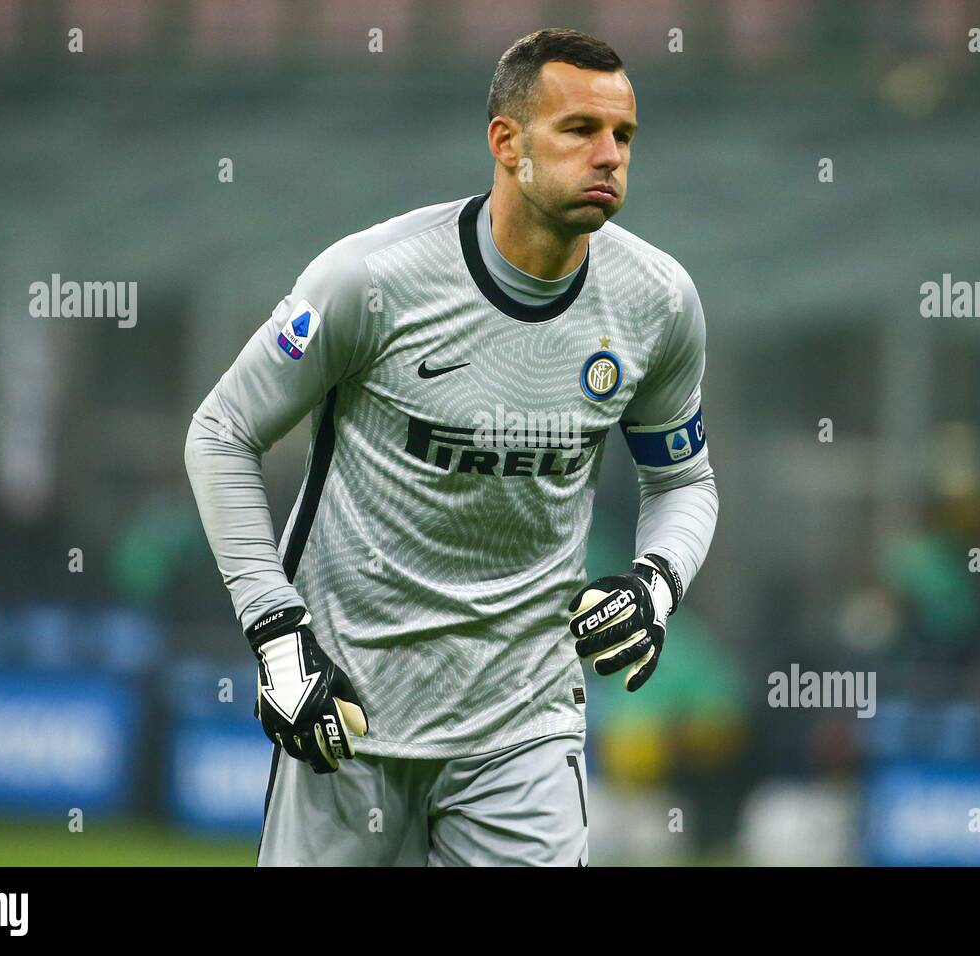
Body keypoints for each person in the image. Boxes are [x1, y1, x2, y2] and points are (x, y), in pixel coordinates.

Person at [185, 28, 717, 866]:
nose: (609, 155)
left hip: (525, 728)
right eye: (579, 130)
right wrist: (278, 637)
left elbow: (683, 480)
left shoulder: (657, 301)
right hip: (348, 717)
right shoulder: (370, 280)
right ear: (507, 143)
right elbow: (221, 433)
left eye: (624, 136)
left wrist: (656, 587)